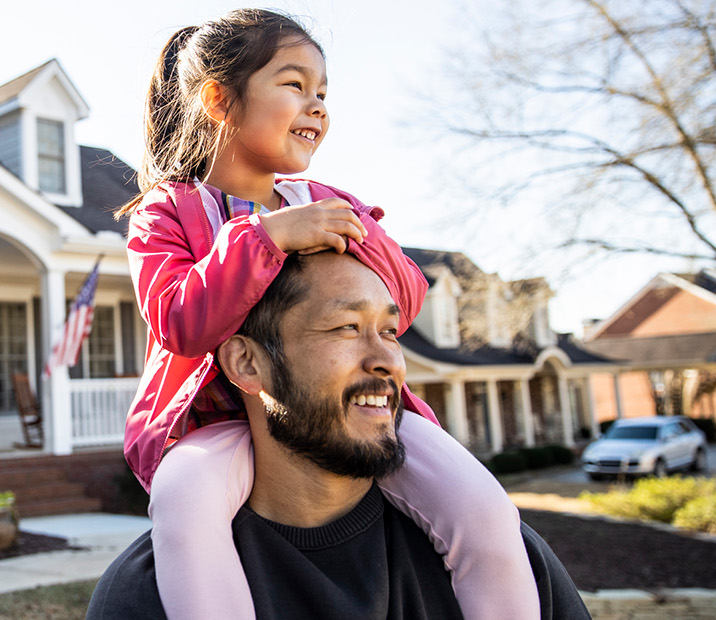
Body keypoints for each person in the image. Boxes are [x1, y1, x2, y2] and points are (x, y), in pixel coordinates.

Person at [116, 9, 539, 620]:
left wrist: (351, 235)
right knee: (184, 502)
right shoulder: (166, 213)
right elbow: (179, 323)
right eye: (294, 84)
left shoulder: (330, 202)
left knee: (483, 506)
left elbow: (405, 296)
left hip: (353, 413)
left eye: (322, 92)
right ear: (219, 99)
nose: (317, 105)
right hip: (219, 423)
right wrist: (265, 238)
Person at [89, 250, 592, 620]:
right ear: (246, 363)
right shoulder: (148, 596)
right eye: (347, 327)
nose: (388, 360)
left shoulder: (501, 556)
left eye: (389, 331)